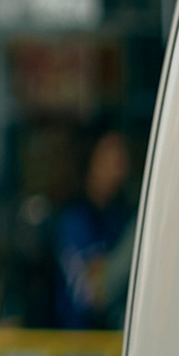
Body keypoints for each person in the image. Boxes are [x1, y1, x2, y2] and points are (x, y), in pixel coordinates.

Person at [54, 126, 137, 329]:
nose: (120, 170)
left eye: (122, 160)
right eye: (112, 160)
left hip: (113, 337)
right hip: (77, 338)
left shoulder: (119, 215)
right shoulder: (74, 219)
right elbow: (92, 293)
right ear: (92, 161)